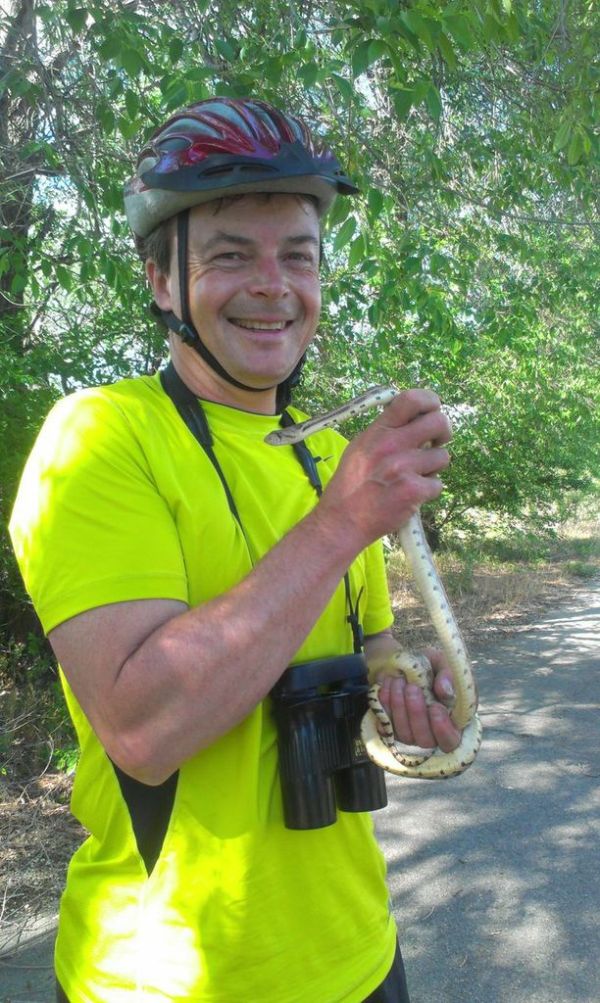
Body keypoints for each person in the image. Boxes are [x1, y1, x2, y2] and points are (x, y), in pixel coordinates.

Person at [10, 97, 461, 1003]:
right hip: (164, 979)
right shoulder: (99, 437)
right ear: (161, 279)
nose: (273, 283)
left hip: (361, 953)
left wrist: (410, 685)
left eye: (298, 255)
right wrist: (341, 521)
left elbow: (365, 641)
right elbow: (142, 729)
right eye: (229, 255)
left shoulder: (327, 455)